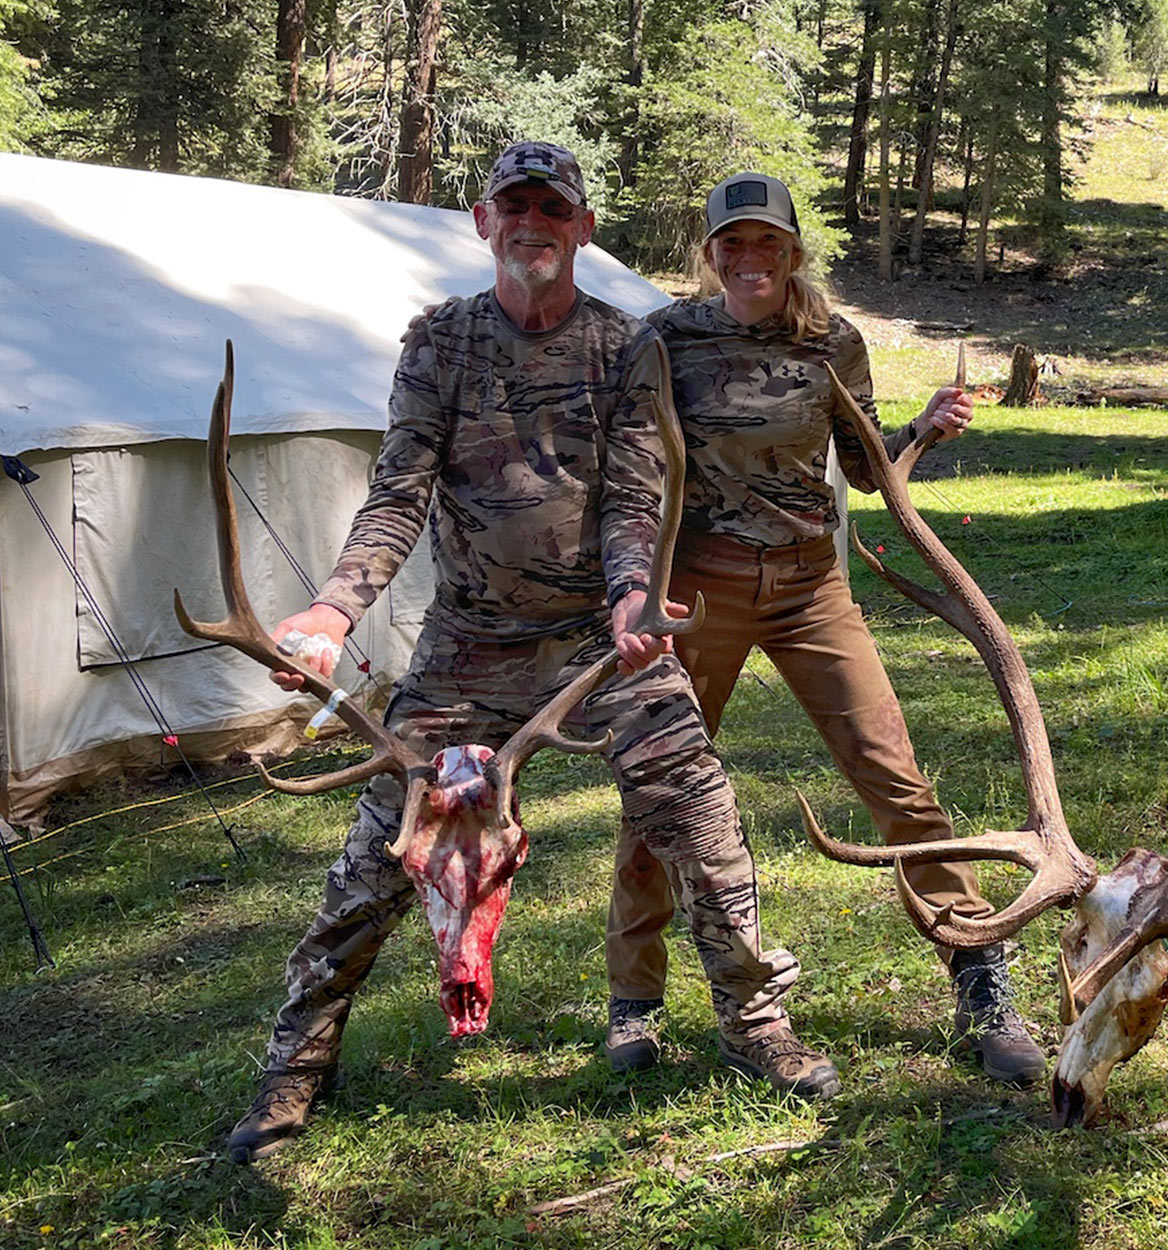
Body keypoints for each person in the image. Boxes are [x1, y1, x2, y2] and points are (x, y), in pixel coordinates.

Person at [226, 144, 839, 1165]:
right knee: (383, 847)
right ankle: (295, 1062)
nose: (533, 224)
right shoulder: (439, 343)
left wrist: (632, 593)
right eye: (515, 207)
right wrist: (335, 609)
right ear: (483, 221)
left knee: (698, 808)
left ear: (581, 229)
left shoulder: (620, 344)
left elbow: (640, 492)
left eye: (553, 209)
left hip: (601, 645)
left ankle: (755, 1023)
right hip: (466, 644)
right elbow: (398, 492)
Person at [602, 172, 1048, 1086]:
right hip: (699, 589)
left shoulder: (832, 342)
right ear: (711, 251)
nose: (750, 258)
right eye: (734, 242)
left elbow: (864, 462)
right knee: (660, 791)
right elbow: (636, 466)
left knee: (898, 780)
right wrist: (635, 584)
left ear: (794, 250)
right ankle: (634, 1002)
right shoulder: (668, 337)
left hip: (812, 586)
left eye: (768, 242)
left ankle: (980, 982)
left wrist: (924, 428)